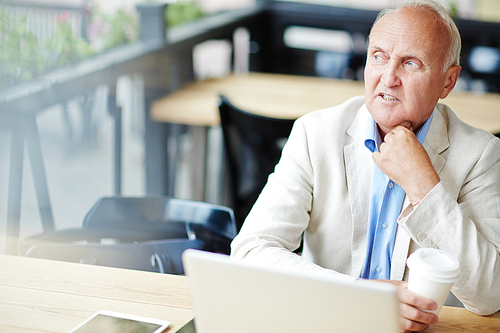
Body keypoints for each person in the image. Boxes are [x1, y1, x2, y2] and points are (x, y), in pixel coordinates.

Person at [230, 0, 500, 332]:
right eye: (379, 57)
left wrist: (423, 186)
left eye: (411, 63)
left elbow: (491, 294)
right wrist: (355, 294)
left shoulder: (481, 154)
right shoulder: (315, 134)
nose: (388, 78)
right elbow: (250, 251)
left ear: (448, 81)